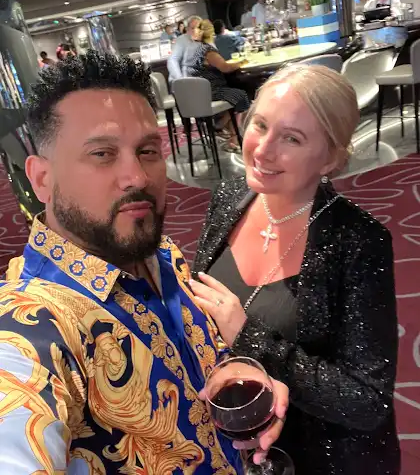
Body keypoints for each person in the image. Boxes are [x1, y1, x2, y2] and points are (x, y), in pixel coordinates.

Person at [0, 50, 288, 474]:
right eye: (102, 153)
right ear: (42, 178)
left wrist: (234, 368)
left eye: (148, 150)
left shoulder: (158, 252)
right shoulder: (29, 325)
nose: (138, 177)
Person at [191, 64, 401, 475]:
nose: (263, 150)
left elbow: (367, 400)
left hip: (325, 456)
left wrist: (247, 336)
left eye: (292, 138)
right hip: (240, 438)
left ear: (330, 158)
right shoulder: (230, 197)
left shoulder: (359, 241)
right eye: (260, 125)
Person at [188, 19, 251, 152]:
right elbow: (225, 67)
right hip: (211, 91)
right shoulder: (208, 50)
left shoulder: (195, 49)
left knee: (233, 99)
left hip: (198, 92)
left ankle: (231, 136)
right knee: (242, 95)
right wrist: (242, 62)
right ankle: (222, 127)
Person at [167, 14, 202, 83]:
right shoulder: (181, 40)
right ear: (187, 29)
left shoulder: (203, 40)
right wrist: (181, 80)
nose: (195, 30)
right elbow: (172, 60)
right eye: (192, 28)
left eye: (198, 28)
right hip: (181, 80)